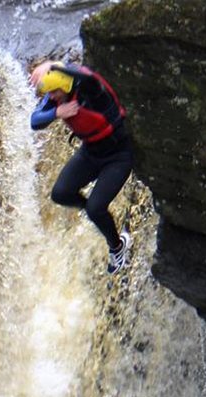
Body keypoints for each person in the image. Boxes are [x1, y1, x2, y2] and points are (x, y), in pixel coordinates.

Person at [29, 60, 132, 274]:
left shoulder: (90, 91)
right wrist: (57, 113)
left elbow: (87, 76)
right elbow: (35, 121)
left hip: (118, 156)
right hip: (91, 153)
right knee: (61, 194)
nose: (52, 97)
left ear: (64, 84)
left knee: (95, 208)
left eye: (54, 92)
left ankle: (118, 247)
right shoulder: (55, 100)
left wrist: (52, 65)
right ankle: (100, 218)